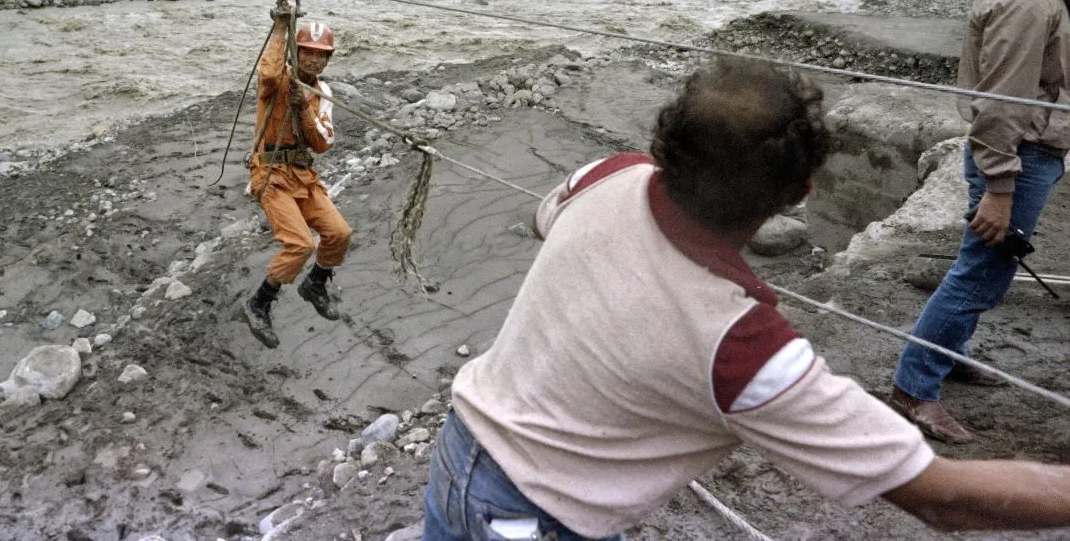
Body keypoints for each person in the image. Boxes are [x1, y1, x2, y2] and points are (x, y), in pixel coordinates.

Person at [422, 60, 1070, 541]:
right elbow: (945, 498)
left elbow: (547, 219)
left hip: (463, 447)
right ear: (798, 193)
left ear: (665, 147)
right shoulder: (744, 351)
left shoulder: (607, 175)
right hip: (531, 515)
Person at [888, 0, 1070, 444]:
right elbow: (999, 107)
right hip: (1021, 155)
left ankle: (949, 351)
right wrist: (999, 185)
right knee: (981, 276)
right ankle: (915, 387)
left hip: (1033, 148)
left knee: (984, 268)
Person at [240, 9, 351, 350]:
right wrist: (280, 29)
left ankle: (315, 284)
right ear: (296, 52)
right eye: (307, 52)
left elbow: (323, 142)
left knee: (339, 233)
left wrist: (303, 108)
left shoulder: (322, 92)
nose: (314, 60)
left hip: (303, 175)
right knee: (300, 244)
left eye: (320, 54)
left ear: (327, 59)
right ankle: (258, 302)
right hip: (271, 173)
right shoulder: (277, 80)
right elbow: (270, 71)